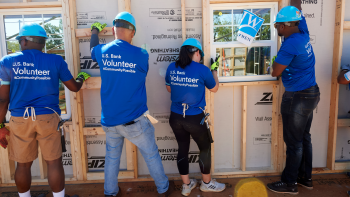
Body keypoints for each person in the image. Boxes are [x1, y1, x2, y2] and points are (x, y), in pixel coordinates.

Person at [0, 23, 89, 197]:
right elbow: (74, 87)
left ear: (24, 41)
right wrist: (81, 78)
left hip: (20, 119)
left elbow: (3, 98)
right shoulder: (56, 61)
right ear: (43, 43)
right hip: (48, 118)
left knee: (23, 165)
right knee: (54, 162)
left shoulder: (8, 62)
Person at [90, 12, 172, 197]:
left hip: (110, 121)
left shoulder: (102, 52)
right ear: (132, 32)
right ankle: (164, 189)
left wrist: (94, 31)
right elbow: (142, 72)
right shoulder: (141, 54)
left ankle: (110, 192)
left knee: (112, 158)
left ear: (113, 30)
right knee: (151, 154)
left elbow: (92, 49)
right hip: (134, 121)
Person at [267, 0, 320, 195]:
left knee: (294, 143)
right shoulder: (302, 33)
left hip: (297, 98)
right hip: (311, 92)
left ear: (283, 26)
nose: (276, 29)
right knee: (304, 138)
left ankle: (290, 183)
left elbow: (275, 72)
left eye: (276, 26)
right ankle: (305, 178)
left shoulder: (290, 45)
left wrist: (272, 65)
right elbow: (299, 17)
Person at [165, 38, 225, 196]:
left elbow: (169, 89)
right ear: (197, 52)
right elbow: (214, 88)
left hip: (176, 117)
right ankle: (207, 183)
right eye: (200, 54)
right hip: (195, 119)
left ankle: (186, 185)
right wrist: (214, 71)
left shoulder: (172, 67)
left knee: (182, 149)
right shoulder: (203, 70)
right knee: (205, 149)